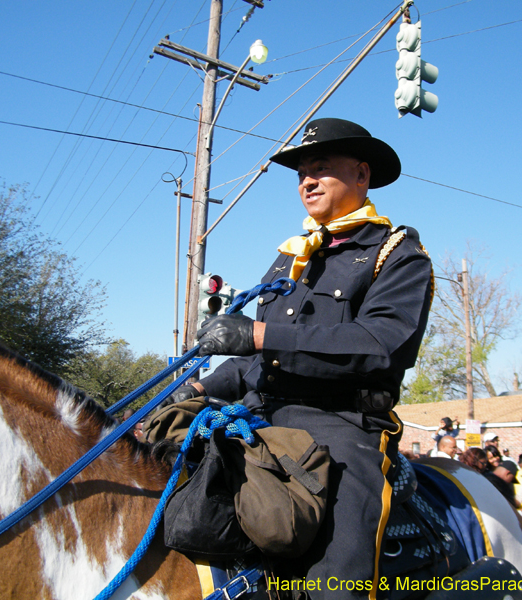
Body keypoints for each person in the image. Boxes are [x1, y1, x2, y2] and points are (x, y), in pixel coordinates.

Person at [158, 118, 434, 599]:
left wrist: (261, 334)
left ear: (362, 174)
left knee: (335, 587)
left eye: (321, 168)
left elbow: (379, 342)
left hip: (341, 427)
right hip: (259, 415)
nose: (307, 180)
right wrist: (199, 389)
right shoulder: (291, 257)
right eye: (302, 172)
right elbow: (259, 361)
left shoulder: (397, 254)